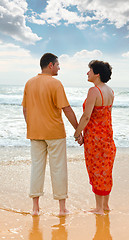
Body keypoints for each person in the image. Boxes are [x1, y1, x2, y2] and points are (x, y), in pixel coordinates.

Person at [22, 53, 79, 216]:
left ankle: (35, 208)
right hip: (55, 133)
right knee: (59, 169)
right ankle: (62, 209)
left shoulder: (29, 83)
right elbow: (66, 108)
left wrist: (32, 126)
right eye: (58, 64)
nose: (59, 67)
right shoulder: (55, 84)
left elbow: (25, 109)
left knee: (36, 168)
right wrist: (77, 130)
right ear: (50, 65)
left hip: (35, 133)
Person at [74, 60, 116, 215]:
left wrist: (77, 133)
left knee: (96, 170)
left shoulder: (94, 91)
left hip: (95, 138)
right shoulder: (110, 91)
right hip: (108, 137)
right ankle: (105, 206)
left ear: (97, 74)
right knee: (105, 170)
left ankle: (98, 208)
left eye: (89, 70)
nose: (87, 73)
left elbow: (86, 117)